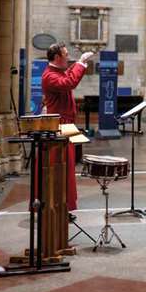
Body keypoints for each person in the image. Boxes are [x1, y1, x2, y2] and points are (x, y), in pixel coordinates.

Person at [41, 42, 94, 212]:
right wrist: (79, 64)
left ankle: (65, 204)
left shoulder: (56, 72)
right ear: (57, 57)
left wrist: (80, 62)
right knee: (60, 166)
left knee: (69, 165)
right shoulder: (49, 76)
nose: (68, 58)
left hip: (67, 124)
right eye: (65, 55)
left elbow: (67, 76)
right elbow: (69, 83)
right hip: (58, 125)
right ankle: (56, 205)